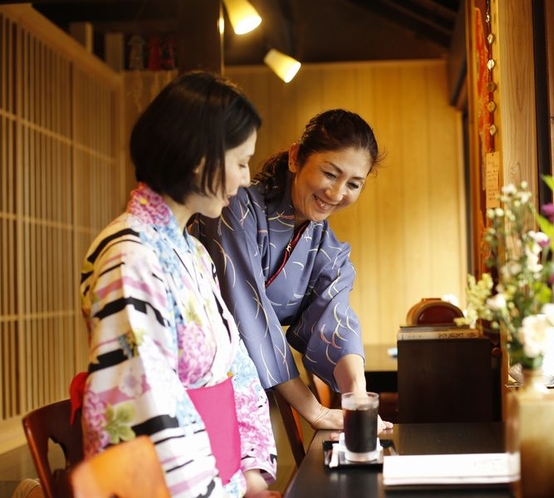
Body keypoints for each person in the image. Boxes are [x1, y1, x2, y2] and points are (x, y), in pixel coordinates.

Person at [77, 71, 280, 498]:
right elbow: (148, 399)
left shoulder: (194, 252)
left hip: (225, 479)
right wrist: (224, 490)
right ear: (198, 158)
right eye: (241, 162)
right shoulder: (128, 255)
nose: (246, 179)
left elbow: (237, 368)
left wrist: (253, 469)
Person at [190, 109, 392, 432]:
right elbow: (250, 313)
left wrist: (356, 396)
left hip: (245, 391)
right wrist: (315, 410)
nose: (337, 193)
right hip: (196, 379)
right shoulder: (235, 208)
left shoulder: (326, 245)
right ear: (296, 157)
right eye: (330, 173)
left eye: (354, 184)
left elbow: (334, 317)